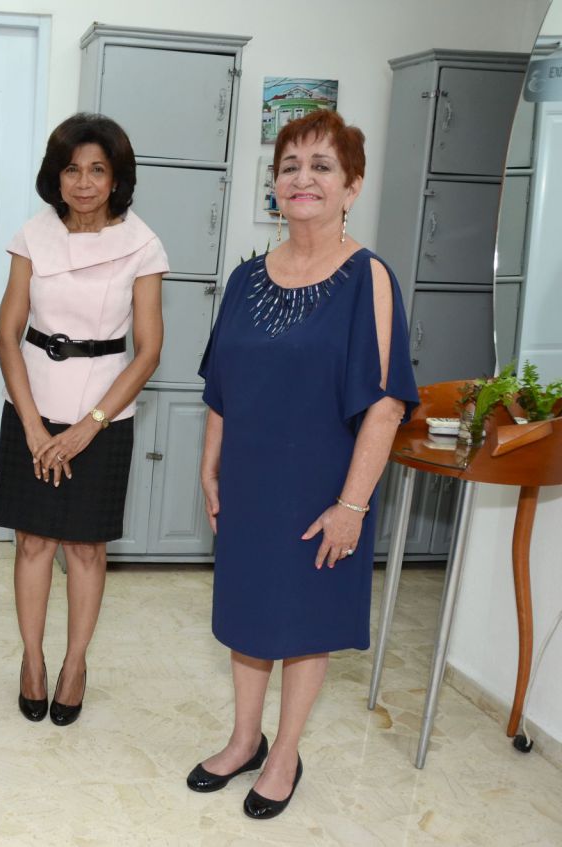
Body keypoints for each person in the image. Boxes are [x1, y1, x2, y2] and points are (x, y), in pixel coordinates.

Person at [188, 109, 418, 819]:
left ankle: (284, 752)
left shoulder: (368, 277)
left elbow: (385, 403)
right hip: (251, 479)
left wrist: (352, 505)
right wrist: (209, 465)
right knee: (248, 615)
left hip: (324, 481)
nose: (303, 178)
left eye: (321, 165)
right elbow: (220, 384)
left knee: (302, 620)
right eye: (290, 165)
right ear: (275, 185)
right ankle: (243, 739)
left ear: (352, 185)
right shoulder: (247, 277)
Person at [0, 113, 167, 726]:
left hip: (104, 413)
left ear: (116, 178)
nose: (85, 182)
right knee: (33, 541)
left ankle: (75, 663)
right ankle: (33, 661)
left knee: (87, 550)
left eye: (98, 170)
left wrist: (89, 425)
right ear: (56, 175)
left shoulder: (143, 245)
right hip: (33, 406)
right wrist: (35, 426)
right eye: (73, 169)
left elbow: (147, 351)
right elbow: (8, 336)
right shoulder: (32, 237)